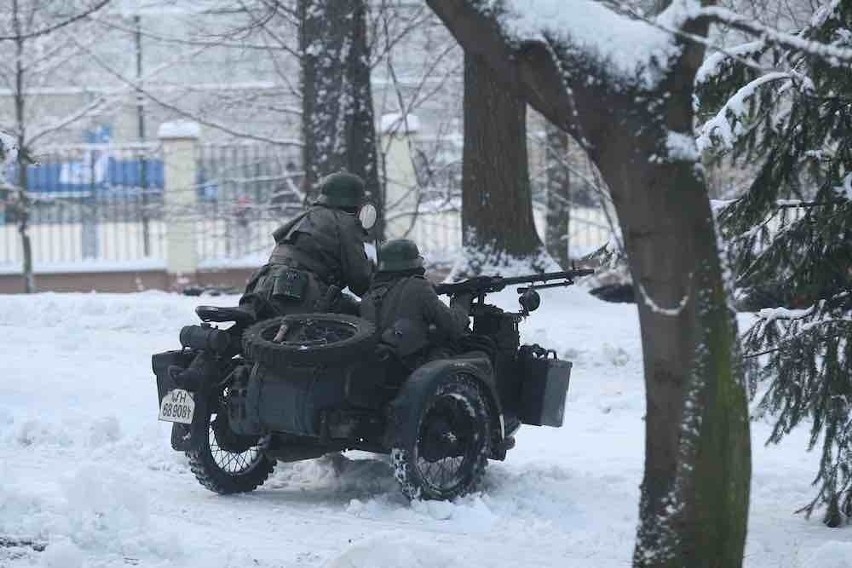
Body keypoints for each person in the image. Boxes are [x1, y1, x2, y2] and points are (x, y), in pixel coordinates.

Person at [239, 171, 373, 320]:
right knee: (359, 318)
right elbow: (360, 280)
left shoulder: (309, 215)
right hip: (299, 291)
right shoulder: (346, 223)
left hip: (263, 285)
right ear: (356, 203)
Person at [360, 239, 473, 366]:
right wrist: (462, 302)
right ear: (413, 263)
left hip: (382, 368)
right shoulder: (418, 286)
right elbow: (453, 325)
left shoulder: (368, 296)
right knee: (478, 355)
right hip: (412, 366)